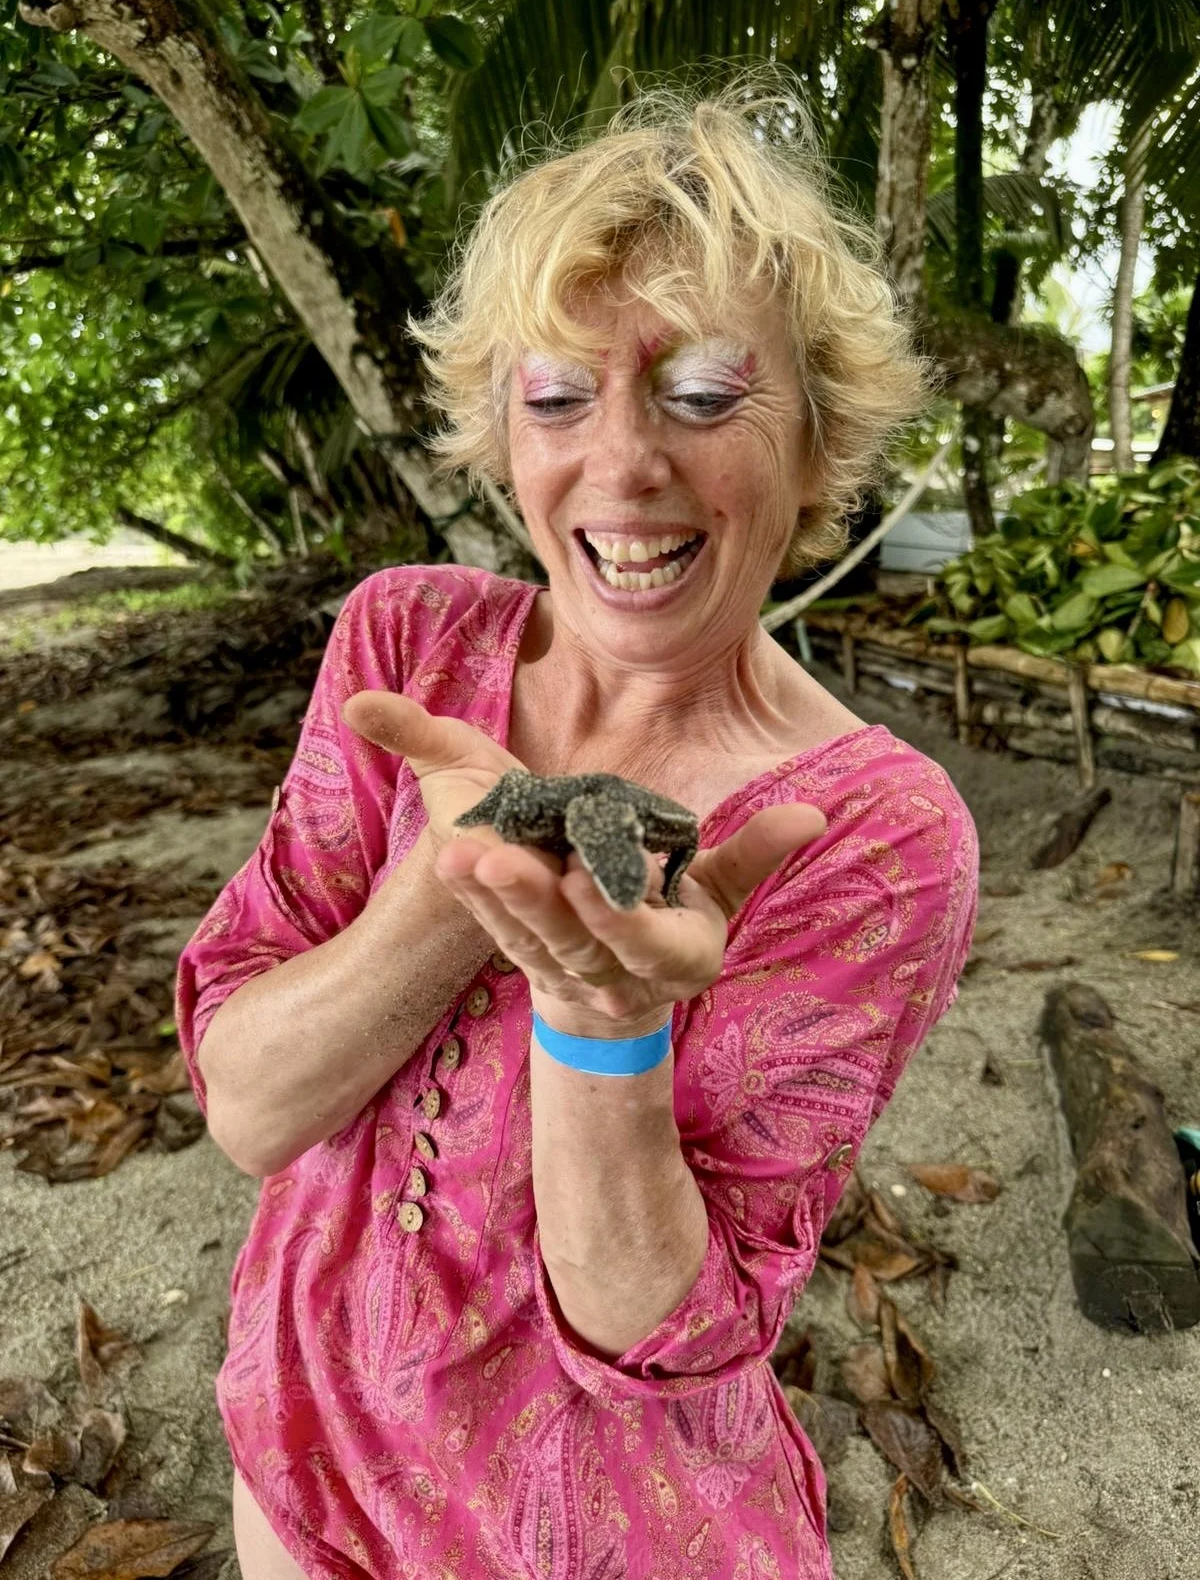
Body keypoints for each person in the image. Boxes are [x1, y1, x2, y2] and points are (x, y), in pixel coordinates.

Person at [176, 77, 978, 1580]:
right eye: (556, 396)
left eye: (702, 391)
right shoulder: (406, 645)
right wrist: (449, 880)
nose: (619, 464)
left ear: (817, 446)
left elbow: (656, 1332)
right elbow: (251, 1111)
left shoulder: (870, 832)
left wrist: (599, 1013)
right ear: (505, 435)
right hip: (300, 1457)